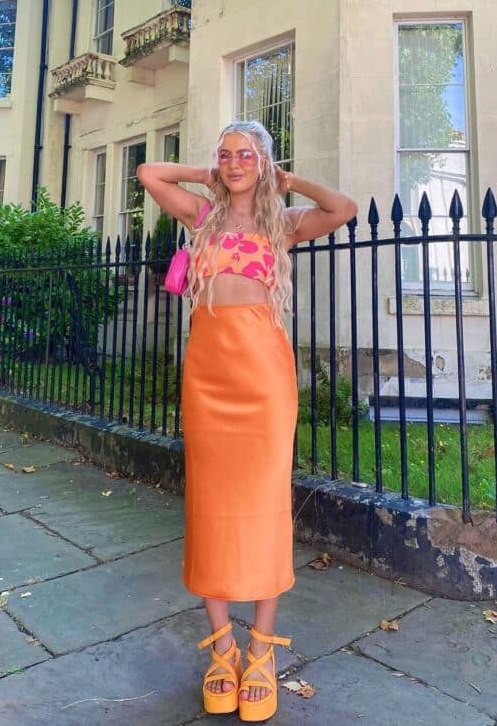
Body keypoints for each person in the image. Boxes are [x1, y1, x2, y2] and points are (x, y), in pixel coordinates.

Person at [137, 121, 357, 721]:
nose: (235, 164)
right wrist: (206, 177)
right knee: (209, 503)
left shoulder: (281, 223)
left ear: (263, 163)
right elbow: (148, 174)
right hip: (207, 378)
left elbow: (343, 207)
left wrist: (286, 179)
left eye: (246, 155)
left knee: (263, 505)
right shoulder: (200, 218)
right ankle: (222, 647)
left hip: (263, 381)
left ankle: (261, 650)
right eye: (226, 155)